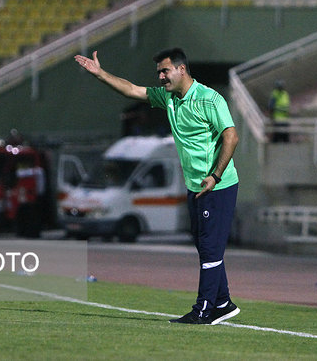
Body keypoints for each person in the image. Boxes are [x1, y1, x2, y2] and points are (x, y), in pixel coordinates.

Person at [75, 48, 240, 325]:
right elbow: (131, 90)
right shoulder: (169, 98)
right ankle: (223, 303)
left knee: (211, 250)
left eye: (165, 71)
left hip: (218, 186)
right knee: (204, 247)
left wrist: (215, 175)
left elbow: (231, 137)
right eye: (159, 73)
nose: (161, 77)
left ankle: (203, 310)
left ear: (182, 70)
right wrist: (100, 74)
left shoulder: (210, 99)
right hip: (195, 186)